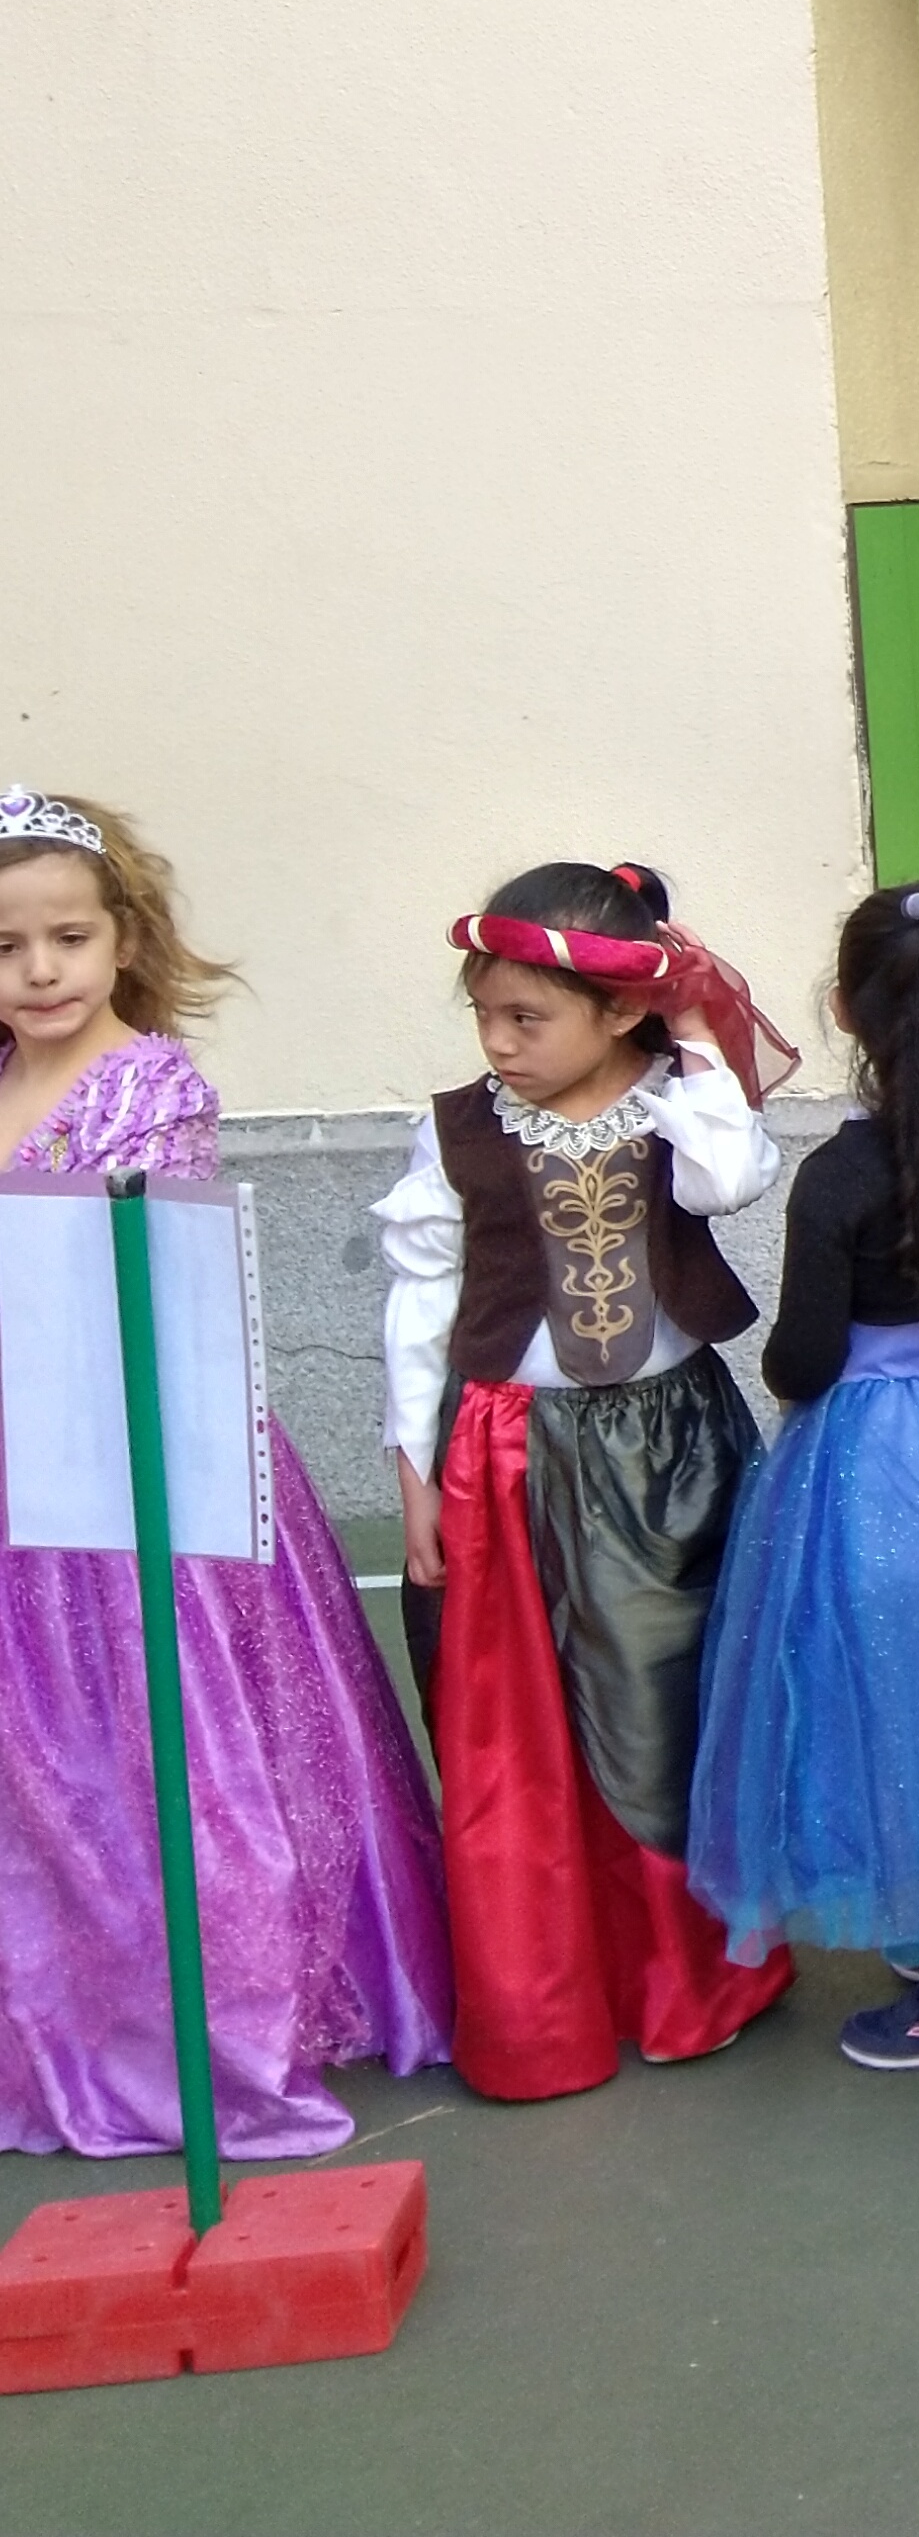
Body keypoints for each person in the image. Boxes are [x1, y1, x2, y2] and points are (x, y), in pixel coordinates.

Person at [0, 790, 451, 2158]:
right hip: (19, 1471)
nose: (39, 971)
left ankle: (214, 2025)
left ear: (125, 940)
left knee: (177, 1741)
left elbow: (139, 1284)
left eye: (68, 938)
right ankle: (73, 2018)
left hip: (137, 1455)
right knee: (50, 1771)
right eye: (7, 947)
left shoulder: (152, 1087)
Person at [378, 857, 799, 2098]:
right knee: (517, 1727)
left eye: (529, 1018)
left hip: (669, 1448)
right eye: (486, 1017)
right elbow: (422, 1304)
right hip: (506, 1447)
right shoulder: (459, 1130)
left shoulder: (677, 1103)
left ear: (621, 1011)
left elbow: (731, 1182)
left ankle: (686, 1974)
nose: (499, 1045)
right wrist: (414, 1472)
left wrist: (695, 1045)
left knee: (665, 1715)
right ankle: (545, 1988)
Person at [688, 885, 919, 2067]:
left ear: (847, 1011)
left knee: (918, 1705)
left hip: (887, 1464)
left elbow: (802, 1358)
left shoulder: (843, 1178)